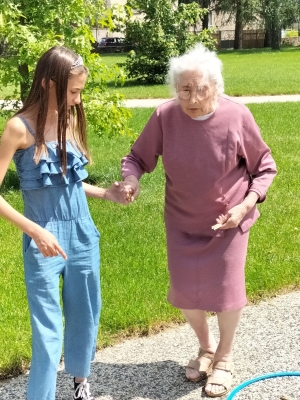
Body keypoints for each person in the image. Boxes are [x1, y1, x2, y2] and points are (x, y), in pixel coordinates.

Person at [121, 44, 277, 397]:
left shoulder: (237, 116)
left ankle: (224, 357)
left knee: (225, 291)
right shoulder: (165, 116)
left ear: (216, 87)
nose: (192, 98)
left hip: (229, 220)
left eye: (200, 89)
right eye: (184, 89)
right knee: (185, 292)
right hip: (182, 220)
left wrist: (246, 205)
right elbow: (136, 158)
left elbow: (265, 167)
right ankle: (206, 348)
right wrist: (131, 179)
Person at [0, 46, 129, 400]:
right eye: (73, 91)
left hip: (82, 232)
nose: (78, 99)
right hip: (42, 235)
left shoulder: (69, 120)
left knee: (86, 314)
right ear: (48, 83)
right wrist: (34, 229)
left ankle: (79, 380)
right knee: (47, 329)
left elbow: (66, 182)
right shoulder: (18, 128)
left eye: (80, 91)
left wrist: (106, 193)